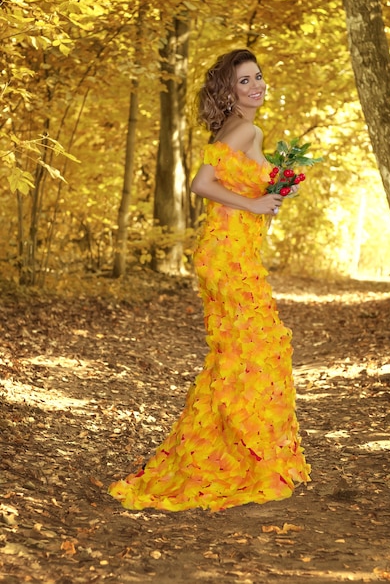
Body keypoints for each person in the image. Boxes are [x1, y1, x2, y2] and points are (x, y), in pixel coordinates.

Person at [108, 49, 311, 512]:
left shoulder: (238, 130)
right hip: (230, 257)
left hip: (228, 254)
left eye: (258, 76)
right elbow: (202, 184)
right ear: (228, 91)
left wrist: (278, 188)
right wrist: (258, 204)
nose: (256, 85)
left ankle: (232, 449)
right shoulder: (246, 128)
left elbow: (240, 184)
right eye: (244, 81)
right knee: (258, 349)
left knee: (241, 351)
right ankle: (244, 455)